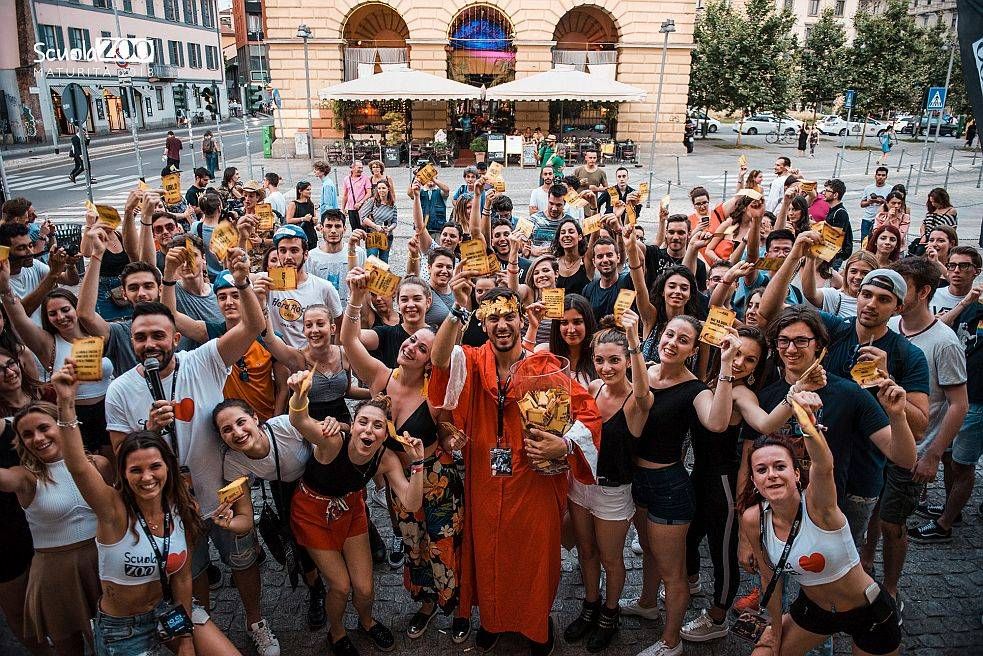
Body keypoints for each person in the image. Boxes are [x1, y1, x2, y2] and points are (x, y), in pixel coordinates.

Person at [103, 252, 281, 656]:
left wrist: (242, 281)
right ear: (132, 342)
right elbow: (119, 460)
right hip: (172, 503)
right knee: (193, 571)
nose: (150, 344)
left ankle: (256, 622)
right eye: (141, 337)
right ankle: (207, 629)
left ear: (175, 339)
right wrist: (146, 433)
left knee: (243, 560)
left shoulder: (203, 360)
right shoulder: (120, 390)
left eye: (158, 336)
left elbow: (253, 326)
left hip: (223, 489)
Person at [429, 286, 601, 654]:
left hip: (534, 479)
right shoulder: (472, 361)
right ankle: (493, 621)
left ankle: (537, 627)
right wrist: (458, 310)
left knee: (534, 558)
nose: (502, 325)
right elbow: (440, 359)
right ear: (483, 322)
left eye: (509, 317)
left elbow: (588, 414)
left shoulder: (545, 367)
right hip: (486, 479)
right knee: (489, 553)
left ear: (523, 320)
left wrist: (565, 444)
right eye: (493, 318)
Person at [52, 364, 241, 656]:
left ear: (168, 467)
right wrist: (65, 403)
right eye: (136, 470)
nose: (147, 477)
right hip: (124, 628)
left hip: (169, 611)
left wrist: (186, 639)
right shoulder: (112, 509)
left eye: (155, 466)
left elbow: (181, 578)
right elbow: (77, 465)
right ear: (124, 474)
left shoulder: (181, 506)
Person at [343, 269, 466, 639]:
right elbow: (348, 343)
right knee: (413, 544)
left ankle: (459, 608)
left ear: (430, 361)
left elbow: (449, 434)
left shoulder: (435, 394)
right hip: (400, 480)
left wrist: (452, 440)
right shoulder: (382, 377)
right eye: (411, 340)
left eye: (421, 348)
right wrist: (355, 298)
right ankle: (426, 604)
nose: (410, 346)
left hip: (437, 480)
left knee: (444, 544)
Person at [738, 394, 903, 656]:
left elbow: (824, 466)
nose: (771, 474)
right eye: (762, 469)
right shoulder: (753, 518)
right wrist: (775, 634)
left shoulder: (818, 505)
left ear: (795, 473)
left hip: (868, 611)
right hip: (815, 611)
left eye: (780, 466)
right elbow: (770, 577)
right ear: (755, 481)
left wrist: (808, 426)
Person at [623, 317, 738, 656]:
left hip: (668, 487)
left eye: (683, 339)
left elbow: (717, 422)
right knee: (648, 551)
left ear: (693, 349)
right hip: (637, 482)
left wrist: (727, 363)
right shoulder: (642, 372)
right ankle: (646, 602)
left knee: (673, 571)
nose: (672, 342)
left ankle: (671, 642)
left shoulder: (695, 389)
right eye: (669, 334)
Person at [286, 382, 425, 654]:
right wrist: (299, 392)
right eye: (363, 422)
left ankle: (367, 622)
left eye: (378, 426)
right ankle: (336, 633)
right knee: (340, 586)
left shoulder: (385, 459)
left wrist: (418, 464)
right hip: (312, 513)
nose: (369, 430)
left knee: (364, 588)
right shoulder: (333, 440)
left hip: (350, 510)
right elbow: (299, 419)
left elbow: (410, 502)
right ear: (353, 425)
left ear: (385, 435)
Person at [564, 311, 650, 652]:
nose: (606, 368)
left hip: (613, 489)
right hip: (580, 482)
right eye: (600, 360)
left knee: (611, 558)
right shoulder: (595, 387)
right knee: (586, 550)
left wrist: (633, 344)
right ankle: (590, 604)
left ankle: (609, 615)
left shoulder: (636, 401)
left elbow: (643, 393)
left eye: (614, 360)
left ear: (627, 361)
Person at [0, 400, 107, 656]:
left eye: (43, 428)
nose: (37, 438)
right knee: (68, 648)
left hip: (104, 564)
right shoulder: (25, 477)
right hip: (56, 575)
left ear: (62, 426)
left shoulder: (100, 464)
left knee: (110, 643)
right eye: (27, 434)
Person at [212, 398, 327, 630]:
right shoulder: (233, 462)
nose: (237, 432)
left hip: (318, 478)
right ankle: (316, 590)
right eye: (227, 429)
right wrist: (229, 524)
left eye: (240, 422)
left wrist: (334, 425)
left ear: (255, 418)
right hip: (285, 489)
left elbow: (327, 437)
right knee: (298, 540)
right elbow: (245, 517)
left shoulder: (285, 425)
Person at [880, 258, 966, 560]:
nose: (894, 293)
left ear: (923, 292)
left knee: (892, 524)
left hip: (915, 450)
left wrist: (932, 455)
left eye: (902, 288)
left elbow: (958, 405)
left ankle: (891, 588)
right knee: (872, 519)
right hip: (878, 442)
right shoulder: (889, 325)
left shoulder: (945, 342)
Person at [0, 284, 113, 456]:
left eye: (65, 309)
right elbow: (19, 319)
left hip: (108, 410)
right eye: (52, 314)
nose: (60, 317)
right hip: (74, 413)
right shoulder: (48, 343)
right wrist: (5, 289)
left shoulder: (99, 331)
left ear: (77, 308)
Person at [265, 225, 342, 348]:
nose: (288, 257)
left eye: (294, 250)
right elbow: (242, 279)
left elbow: (340, 325)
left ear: (305, 254)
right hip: (277, 359)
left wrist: (335, 356)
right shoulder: (267, 282)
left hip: (312, 361)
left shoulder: (324, 288)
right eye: (283, 251)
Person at [306, 209, 366, 308]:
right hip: (323, 315)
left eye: (337, 226)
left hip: (351, 311)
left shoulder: (358, 252)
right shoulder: (311, 257)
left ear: (344, 229)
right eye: (329, 226)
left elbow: (365, 285)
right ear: (321, 228)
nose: (333, 231)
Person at [800, 250, 878, 319]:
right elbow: (810, 294)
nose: (858, 277)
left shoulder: (879, 301)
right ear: (846, 272)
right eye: (853, 271)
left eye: (865, 273)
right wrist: (811, 259)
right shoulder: (835, 297)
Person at [361, 180, 398, 264]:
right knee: (371, 260)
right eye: (379, 188)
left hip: (386, 236)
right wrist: (375, 226)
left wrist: (389, 228)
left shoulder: (392, 205)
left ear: (388, 189)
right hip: (373, 234)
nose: (381, 190)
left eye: (383, 188)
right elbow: (363, 217)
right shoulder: (372, 202)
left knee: (384, 261)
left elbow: (394, 222)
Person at [819, 179, 853, 268]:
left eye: (827, 191)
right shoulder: (833, 209)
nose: (824, 193)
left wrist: (819, 225)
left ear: (835, 195)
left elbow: (837, 233)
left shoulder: (840, 212)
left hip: (836, 255)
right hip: (829, 252)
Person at [407, 167, 450, 236]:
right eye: (427, 176)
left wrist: (432, 178)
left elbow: (447, 190)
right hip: (422, 229)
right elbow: (409, 193)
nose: (430, 179)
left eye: (433, 177)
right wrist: (417, 177)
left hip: (438, 230)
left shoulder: (440, 192)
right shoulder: (420, 192)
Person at [859, 167, 889, 244]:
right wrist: (870, 201)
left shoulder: (890, 189)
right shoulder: (868, 188)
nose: (880, 177)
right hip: (867, 219)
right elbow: (862, 204)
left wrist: (883, 202)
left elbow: (891, 205)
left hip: (882, 220)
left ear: (886, 177)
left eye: (883, 175)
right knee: (864, 242)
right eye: (879, 175)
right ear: (875, 176)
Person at [341, 162, 373, 232]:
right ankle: (357, 243)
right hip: (351, 209)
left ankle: (366, 243)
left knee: (365, 229)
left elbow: (369, 193)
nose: (361, 170)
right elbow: (345, 195)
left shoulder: (365, 178)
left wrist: (360, 202)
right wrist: (343, 208)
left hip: (363, 208)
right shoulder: (346, 179)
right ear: (352, 168)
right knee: (355, 230)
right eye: (359, 168)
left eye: (362, 168)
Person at [286, 181, 318, 249]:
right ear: (300, 191)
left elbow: (314, 222)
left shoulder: (311, 204)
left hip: (311, 236)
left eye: (310, 189)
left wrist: (315, 221)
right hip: (299, 236)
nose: (310, 191)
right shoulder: (294, 204)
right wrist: (303, 219)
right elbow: (288, 220)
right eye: (307, 189)